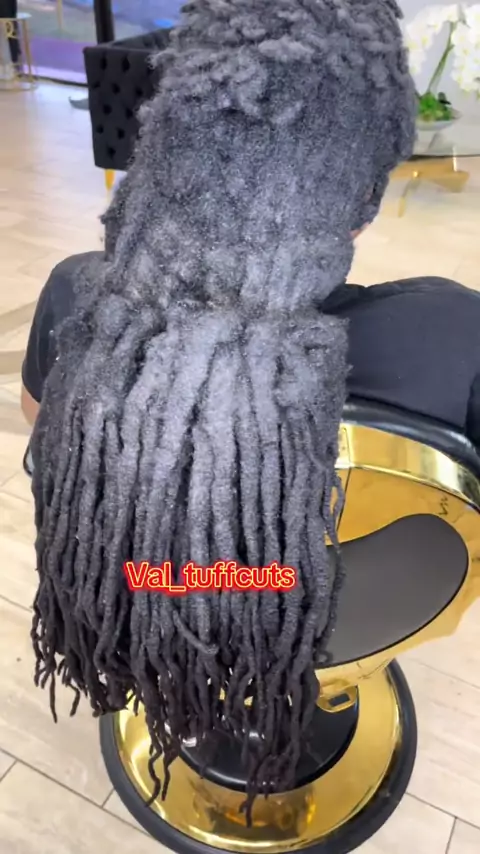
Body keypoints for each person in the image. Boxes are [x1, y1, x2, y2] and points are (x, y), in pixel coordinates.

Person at [22, 0, 477, 817]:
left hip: (148, 596)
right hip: (344, 615)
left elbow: (42, 436)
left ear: (169, 145)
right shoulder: (457, 334)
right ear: (366, 190)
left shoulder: (78, 303)